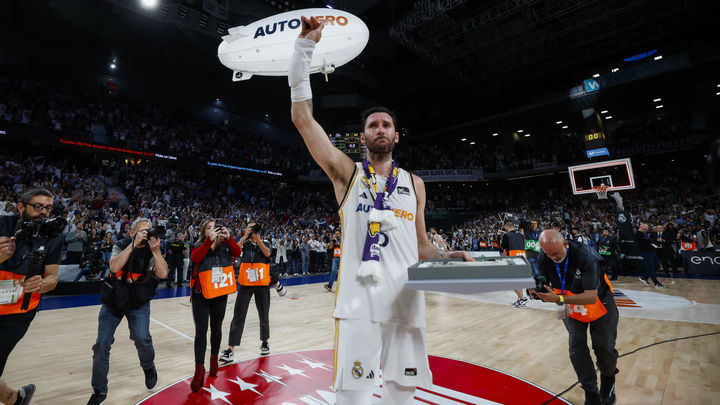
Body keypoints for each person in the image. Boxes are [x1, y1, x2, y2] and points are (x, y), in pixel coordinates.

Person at [288, 16, 473, 404]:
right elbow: (302, 119)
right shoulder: (347, 174)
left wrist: (447, 258)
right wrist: (304, 48)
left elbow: (420, 246)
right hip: (359, 307)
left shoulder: (415, 184)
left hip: (405, 305)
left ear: (396, 135)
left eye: (386, 125)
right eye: (373, 125)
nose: (380, 129)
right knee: (352, 398)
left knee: (401, 397)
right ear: (363, 137)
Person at [530, 230, 619, 405]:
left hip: (598, 299)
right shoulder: (544, 256)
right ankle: (591, 392)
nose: (552, 257)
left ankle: (608, 381)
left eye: (555, 253)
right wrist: (536, 288)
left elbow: (590, 296)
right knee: (575, 347)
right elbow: (545, 279)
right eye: (547, 254)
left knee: (604, 348)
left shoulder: (586, 256)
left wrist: (558, 299)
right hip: (564, 300)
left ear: (565, 244)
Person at [87, 218, 168, 405]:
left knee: (141, 337)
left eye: (148, 231)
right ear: (131, 232)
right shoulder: (121, 244)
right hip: (115, 298)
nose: (146, 235)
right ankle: (99, 390)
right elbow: (114, 266)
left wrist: (156, 251)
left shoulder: (152, 247)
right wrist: (133, 245)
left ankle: (148, 366)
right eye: (142, 231)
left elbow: (163, 274)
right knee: (101, 344)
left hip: (138, 299)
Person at [0, 188, 63, 405]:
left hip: (18, 314)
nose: (43, 212)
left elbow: (52, 278)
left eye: (48, 208)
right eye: (38, 207)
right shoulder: (3, 224)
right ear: (21, 207)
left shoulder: (54, 235)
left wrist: (40, 285)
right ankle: (16, 398)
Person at [188, 219, 240, 392]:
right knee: (201, 332)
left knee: (217, 328)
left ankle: (213, 360)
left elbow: (238, 252)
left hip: (220, 292)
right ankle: (199, 370)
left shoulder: (225, 245)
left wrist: (229, 237)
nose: (213, 230)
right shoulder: (198, 245)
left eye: (215, 228)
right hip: (200, 294)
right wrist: (208, 241)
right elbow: (196, 258)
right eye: (209, 228)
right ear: (205, 231)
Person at [219, 223, 272, 363]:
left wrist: (259, 240)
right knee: (238, 315)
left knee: (264, 314)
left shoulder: (266, 242)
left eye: (253, 228)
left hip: (262, 284)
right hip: (246, 284)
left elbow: (267, 253)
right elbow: (235, 251)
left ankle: (265, 342)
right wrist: (245, 237)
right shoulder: (245, 244)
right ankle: (230, 349)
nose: (252, 230)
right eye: (249, 227)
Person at [500, 221, 527, 307]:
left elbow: (502, 246)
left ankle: (522, 298)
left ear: (507, 227)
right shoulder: (521, 236)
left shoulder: (506, 235)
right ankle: (520, 300)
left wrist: (503, 237)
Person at [635, 222, 665, 288]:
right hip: (646, 253)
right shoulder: (638, 234)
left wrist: (653, 239)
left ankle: (644, 277)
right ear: (640, 227)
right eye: (645, 229)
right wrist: (653, 239)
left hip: (652, 251)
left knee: (657, 266)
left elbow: (652, 239)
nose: (646, 230)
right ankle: (656, 283)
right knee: (650, 268)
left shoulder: (646, 233)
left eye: (647, 229)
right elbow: (649, 241)